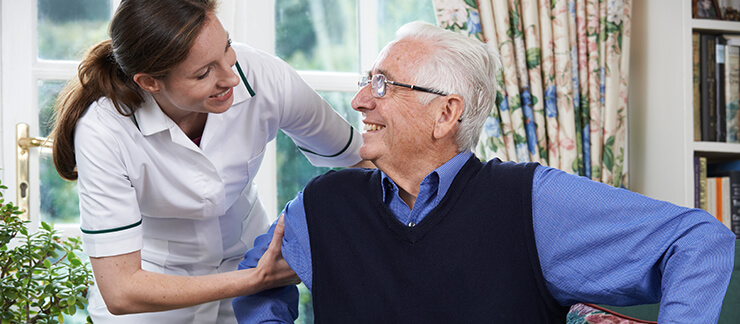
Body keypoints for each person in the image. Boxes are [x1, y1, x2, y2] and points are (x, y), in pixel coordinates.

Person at [232, 21, 737, 323]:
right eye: (367, 81)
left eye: (384, 85)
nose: (361, 99)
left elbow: (698, 240)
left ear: (446, 114)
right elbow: (256, 276)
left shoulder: (533, 202)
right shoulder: (324, 204)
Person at [50, 0, 367, 322]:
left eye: (226, 47)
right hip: (154, 291)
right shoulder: (104, 130)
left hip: (248, 269)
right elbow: (122, 291)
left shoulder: (262, 76)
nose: (231, 78)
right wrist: (257, 279)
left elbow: (362, 159)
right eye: (203, 73)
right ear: (149, 83)